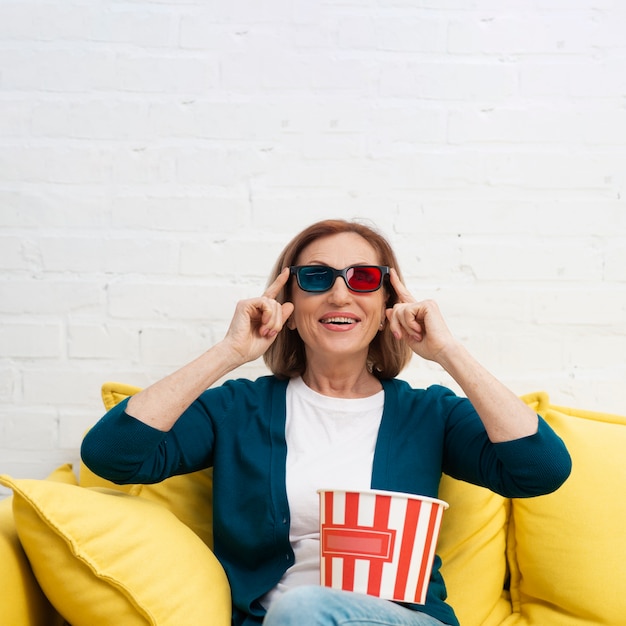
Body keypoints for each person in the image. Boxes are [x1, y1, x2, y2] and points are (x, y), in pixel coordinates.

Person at [81, 219, 571, 626]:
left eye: (363, 279)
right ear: (289, 310)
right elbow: (112, 457)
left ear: (386, 310)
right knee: (298, 611)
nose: (340, 294)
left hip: (398, 619)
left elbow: (540, 469)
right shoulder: (238, 409)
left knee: (304, 607)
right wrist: (229, 352)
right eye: (316, 277)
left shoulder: (430, 415)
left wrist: (447, 351)